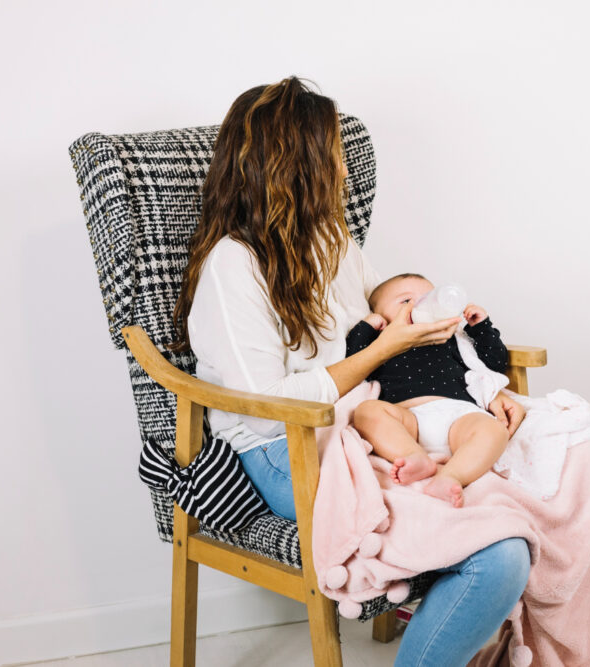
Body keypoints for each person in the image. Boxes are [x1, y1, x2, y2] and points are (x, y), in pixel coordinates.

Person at [170, 76, 530, 666]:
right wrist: (381, 356)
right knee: (500, 553)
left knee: (546, 483)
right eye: (334, 149)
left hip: (367, 430)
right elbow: (272, 398)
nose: (344, 165)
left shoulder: (332, 238)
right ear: (301, 160)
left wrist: (481, 394)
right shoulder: (233, 266)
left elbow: (387, 325)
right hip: (283, 450)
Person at [347, 273, 510, 507]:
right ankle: (414, 456)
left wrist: (481, 327)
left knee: (494, 430)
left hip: (460, 416)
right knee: (367, 411)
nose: (420, 305)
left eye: (428, 297)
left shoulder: (451, 337)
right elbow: (354, 363)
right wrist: (366, 328)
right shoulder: (381, 344)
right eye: (406, 301)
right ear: (382, 318)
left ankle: (451, 476)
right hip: (407, 420)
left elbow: (495, 363)